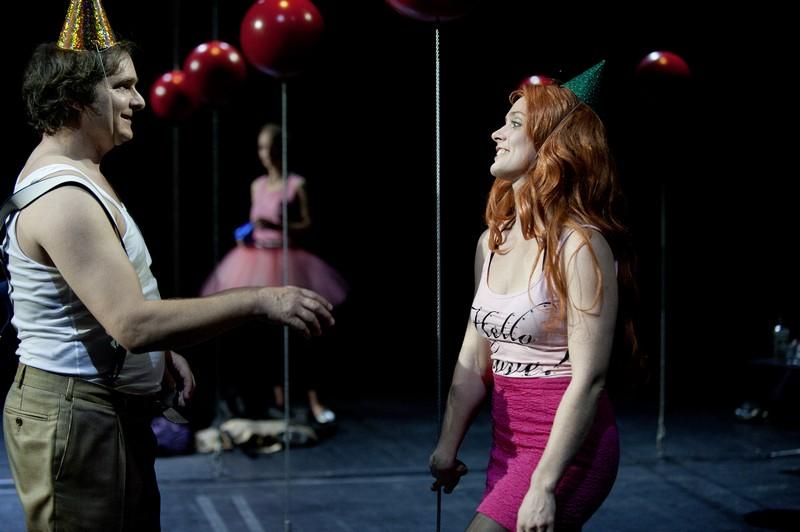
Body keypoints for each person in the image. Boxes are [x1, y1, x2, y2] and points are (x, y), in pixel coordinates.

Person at [1, 4, 334, 531]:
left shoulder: (81, 174)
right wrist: (260, 298)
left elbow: (104, 308)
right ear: (74, 98)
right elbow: (131, 324)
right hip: (80, 417)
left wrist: (159, 354)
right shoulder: (64, 197)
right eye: (122, 87)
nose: (138, 100)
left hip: (97, 411)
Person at [429, 63, 636, 532]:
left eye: (515, 124)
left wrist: (543, 485)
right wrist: (447, 445)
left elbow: (590, 378)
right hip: (507, 442)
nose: (496, 133)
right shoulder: (491, 241)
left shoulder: (580, 245)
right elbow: (474, 355)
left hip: (567, 447)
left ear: (552, 145)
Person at [201, 123, 347, 425]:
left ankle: (313, 399)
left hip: (287, 259)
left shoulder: (296, 184)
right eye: (260, 148)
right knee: (265, 333)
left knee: (301, 332)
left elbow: (308, 223)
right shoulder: (257, 185)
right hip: (255, 258)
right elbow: (253, 221)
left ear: (281, 149)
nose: (265, 154)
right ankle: (278, 398)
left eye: (269, 147)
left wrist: (278, 226)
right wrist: (248, 234)